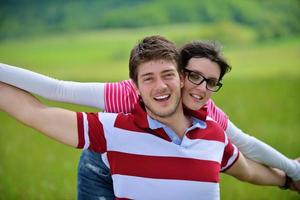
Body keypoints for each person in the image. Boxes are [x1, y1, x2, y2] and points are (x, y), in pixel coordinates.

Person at [1, 39, 300, 199]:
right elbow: (57, 90)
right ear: (182, 74)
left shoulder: (210, 122)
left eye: (211, 82)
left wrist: (292, 173)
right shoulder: (125, 96)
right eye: (194, 76)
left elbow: (245, 155)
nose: (200, 88)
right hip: (103, 162)